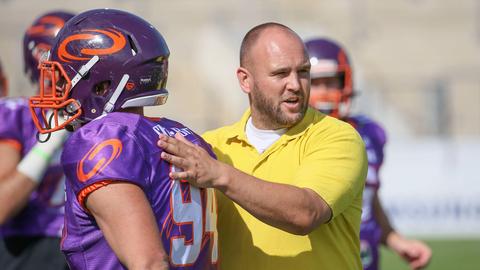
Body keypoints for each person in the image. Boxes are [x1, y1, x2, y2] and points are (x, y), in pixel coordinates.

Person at [158, 22, 367, 270]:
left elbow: (305, 213)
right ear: (245, 80)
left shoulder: (338, 137)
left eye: (303, 71)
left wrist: (218, 174)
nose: (296, 85)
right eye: (280, 74)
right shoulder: (211, 146)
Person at [28, 9, 218, 270]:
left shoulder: (100, 139)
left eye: (64, 76)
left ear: (101, 85)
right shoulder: (184, 135)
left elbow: (149, 263)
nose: (58, 88)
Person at [305, 37, 432, 270]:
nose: (324, 92)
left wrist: (395, 240)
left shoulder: (368, 134)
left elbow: (367, 200)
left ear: (347, 81)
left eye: (331, 82)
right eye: (316, 83)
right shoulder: (293, 136)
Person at [0, 11, 74, 270]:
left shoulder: (101, 122)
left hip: (88, 247)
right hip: (29, 250)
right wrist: (47, 146)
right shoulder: (15, 116)